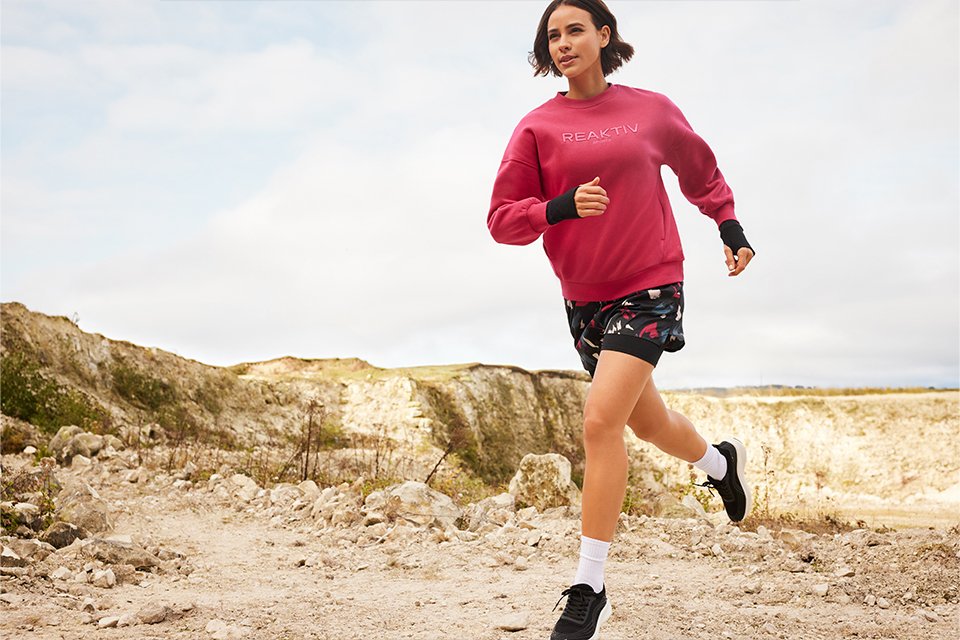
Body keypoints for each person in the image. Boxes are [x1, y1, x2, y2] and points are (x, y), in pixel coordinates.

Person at [486, 1, 756, 638]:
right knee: (648, 419)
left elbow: (699, 170)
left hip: (652, 281)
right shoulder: (537, 128)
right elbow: (502, 219)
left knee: (601, 419)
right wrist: (559, 207)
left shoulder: (650, 111)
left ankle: (590, 585)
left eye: (575, 29)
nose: (563, 43)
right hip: (585, 298)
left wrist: (729, 224)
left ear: (604, 36)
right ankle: (720, 464)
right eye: (552, 35)